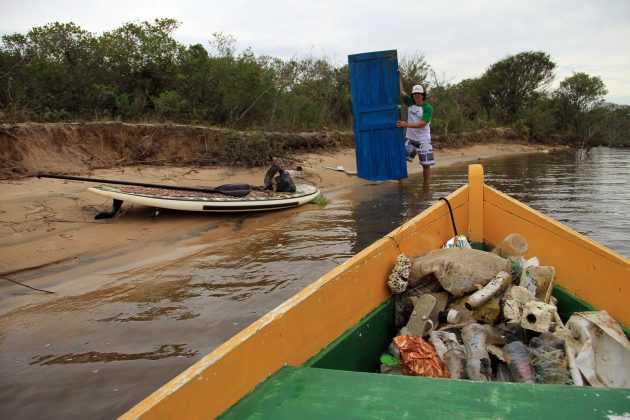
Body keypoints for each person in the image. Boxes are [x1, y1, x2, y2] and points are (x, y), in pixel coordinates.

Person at [396, 77, 434, 190]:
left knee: (426, 165)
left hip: (424, 140)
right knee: (400, 159)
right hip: (411, 139)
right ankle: (400, 184)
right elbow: (401, 92)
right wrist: (399, 77)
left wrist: (405, 124)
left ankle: (426, 186)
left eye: (419, 93)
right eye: (415, 94)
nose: (417, 95)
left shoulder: (428, 108)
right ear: (413, 95)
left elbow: (422, 124)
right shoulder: (410, 102)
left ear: (423, 95)